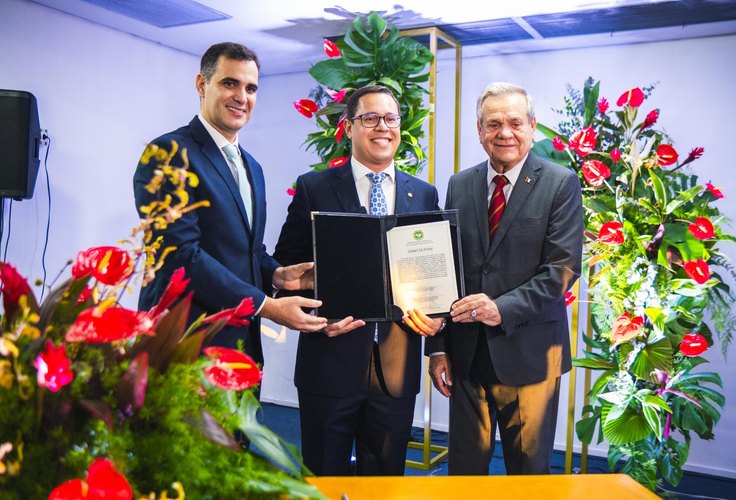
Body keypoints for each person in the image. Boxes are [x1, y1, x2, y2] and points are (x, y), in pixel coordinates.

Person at [274, 85, 445, 476]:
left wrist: (438, 328)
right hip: (328, 363)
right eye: (370, 118)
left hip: (396, 369)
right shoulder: (314, 187)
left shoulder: (423, 194)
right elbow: (286, 269)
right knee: (323, 478)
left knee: (385, 482)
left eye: (390, 118)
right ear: (349, 128)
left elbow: (434, 272)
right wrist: (318, 314)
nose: (382, 127)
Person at [133, 42, 327, 366]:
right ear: (201, 84)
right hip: (185, 345)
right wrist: (266, 305)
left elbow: (245, 250)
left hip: (241, 346)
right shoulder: (169, 153)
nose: (242, 97)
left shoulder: (252, 167)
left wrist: (278, 276)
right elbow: (181, 256)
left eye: (251, 88)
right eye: (230, 83)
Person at [427, 82, 583, 475]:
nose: (504, 132)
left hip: (530, 354)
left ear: (532, 127)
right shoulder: (459, 184)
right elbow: (447, 268)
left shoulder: (560, 183)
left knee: (528, 475)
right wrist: (439, 347)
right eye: (493, 123)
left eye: (515, 122)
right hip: (466, 356)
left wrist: (500, 309)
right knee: (464, 472)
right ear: (479, 131)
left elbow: (561, 269)